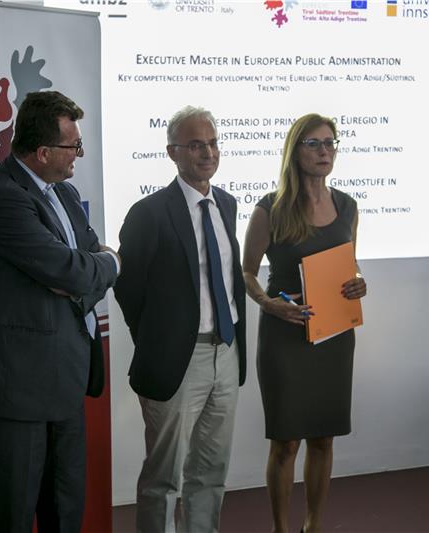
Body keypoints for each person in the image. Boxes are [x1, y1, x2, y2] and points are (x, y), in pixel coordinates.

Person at [0, 90, 120, 533]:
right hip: (15, 386)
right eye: (73, 145)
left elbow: (82, 267)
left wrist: (84, 272)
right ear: (42, 152)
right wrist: (109, 264)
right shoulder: (1, 198)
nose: (80, 153)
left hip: (64, 376)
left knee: (66, 510)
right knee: (14, 515)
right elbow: (75, 270)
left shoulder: (65, 193)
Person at [114, 105, 246, 533]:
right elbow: (128, 287)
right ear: (173, 152)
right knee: (164, 478)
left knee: (211, 471)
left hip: (225, 354)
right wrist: (158, 341)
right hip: (177, 361)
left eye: (212, 143)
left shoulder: (227, 204)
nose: (207, 153)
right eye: (195, 145)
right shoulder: (149, 212)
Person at [242, 113, 367, 533]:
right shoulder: (271, 208)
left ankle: (313, 526)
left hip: (334, 335)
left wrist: (359, 281)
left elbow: (350, 263)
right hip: (285, 335)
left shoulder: (348, 206)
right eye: (314, 143)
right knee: (286, 442)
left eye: (330, 142)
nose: (324, 151)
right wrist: (268, 304)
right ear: (295, 152)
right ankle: (281, 529)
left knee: (323, 437)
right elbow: (246, 272)